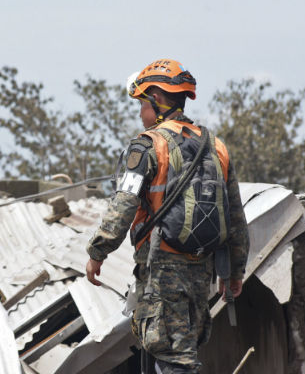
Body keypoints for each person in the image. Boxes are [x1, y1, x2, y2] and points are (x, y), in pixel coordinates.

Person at [85, 59, 250, 373]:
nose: (139, 113)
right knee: (181, 347)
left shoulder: (147, 146)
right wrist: (236, 271)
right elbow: (235, 217)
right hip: (204, 271)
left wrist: (97, 252)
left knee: (174, 357)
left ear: (157, 100)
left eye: (142, 104)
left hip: (163, 270)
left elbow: (123, 205)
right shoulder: (216, 147)